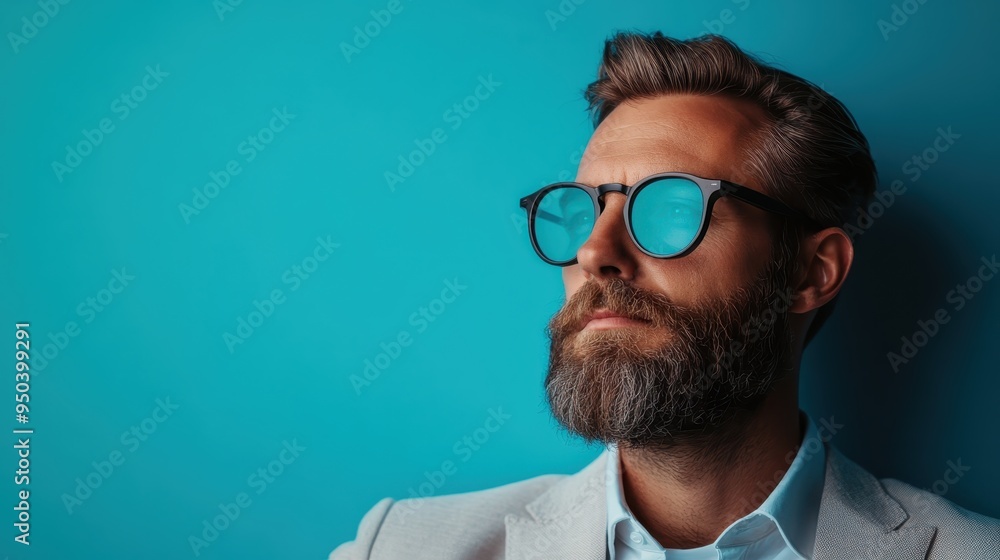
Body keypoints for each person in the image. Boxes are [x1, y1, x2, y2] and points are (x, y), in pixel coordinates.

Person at [331, 32, 1000, 559]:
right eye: (585, 210)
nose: (595, 251)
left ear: (811, 272)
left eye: (673, 208)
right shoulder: (399, 548)